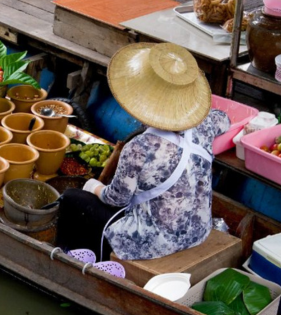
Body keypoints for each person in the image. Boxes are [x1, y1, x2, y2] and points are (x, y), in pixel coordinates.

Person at [55, 43, 230, 261]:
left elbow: (116, 199)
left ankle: (79, 261)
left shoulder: (139, 148)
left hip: (156, 241)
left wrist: (94, 187)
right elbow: (224, 119)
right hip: (198, 231)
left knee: (72, 199)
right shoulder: (205, 125)